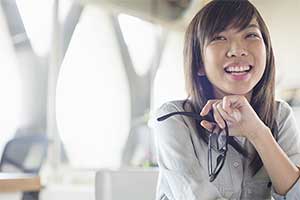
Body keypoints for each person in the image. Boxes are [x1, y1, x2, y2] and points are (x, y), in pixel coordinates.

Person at [150, 0, 300, 199]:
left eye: (250, 35)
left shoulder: (280, 116)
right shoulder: (174, 119)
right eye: (219, 37)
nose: (237, 50)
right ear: (199, 63)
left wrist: (258, 133)